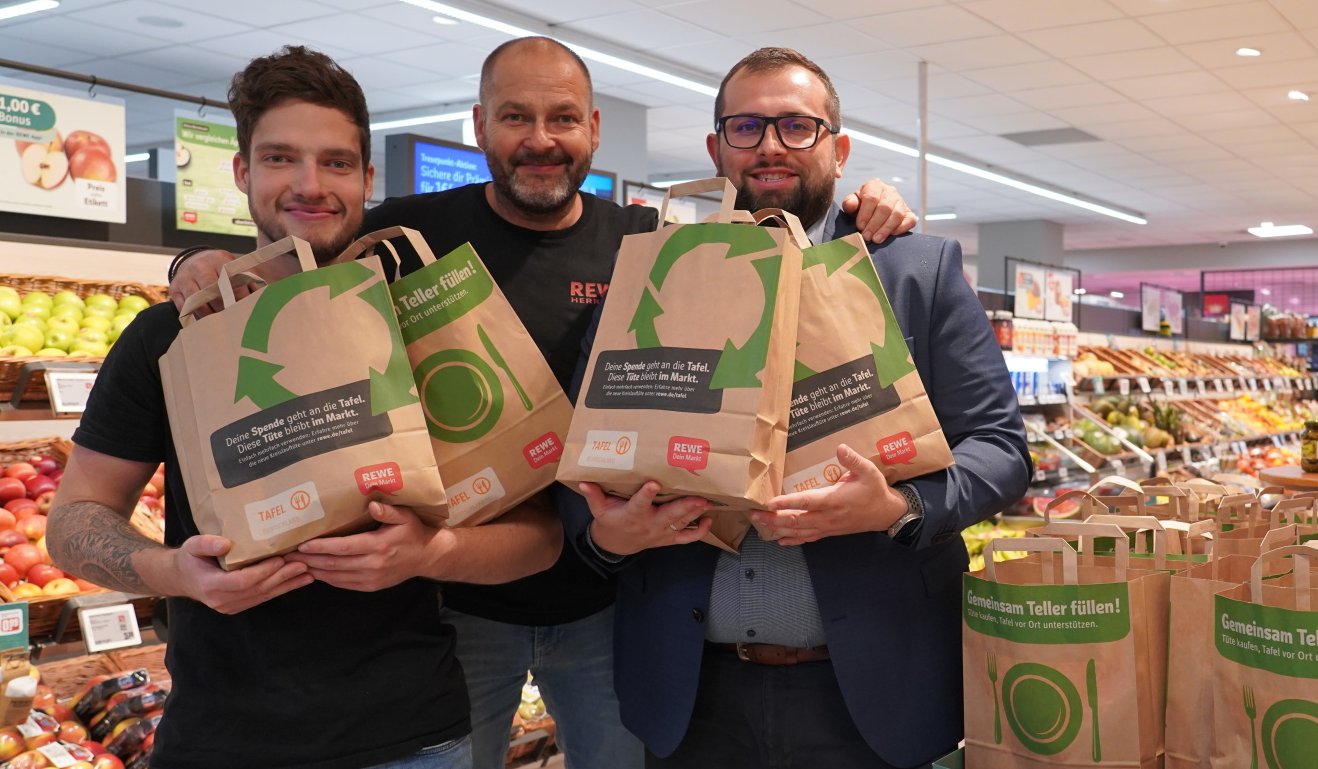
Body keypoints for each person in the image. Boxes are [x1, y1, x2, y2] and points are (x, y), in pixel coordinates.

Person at [167, 37, 916, 769]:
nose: (540, 139)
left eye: (562, 118)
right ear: (479, 126)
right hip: (459, 597)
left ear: (592, 129)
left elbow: (769, 255)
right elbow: (302, 244)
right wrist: (193, 258)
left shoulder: (644, 237)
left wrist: (868, 205)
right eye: (514, 117)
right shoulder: (408, 233)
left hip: (608, 595)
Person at [565, 47, 1031, 769]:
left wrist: (897, 508)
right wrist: (611, 535)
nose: (771, 147)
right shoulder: (652, 283)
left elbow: (999, 448)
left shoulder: (913, 271)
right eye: (746, 128)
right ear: (717, 148)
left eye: (796, 126)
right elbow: (581, 462)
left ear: (837, 149)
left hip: (869, 695)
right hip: (692, 697)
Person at [50, 46, 496, 769]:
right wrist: (176, 573)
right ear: (242, 173)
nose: (310, 185)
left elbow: (534, 533)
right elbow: (73, 522)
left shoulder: (425, 320)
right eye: (282, 158)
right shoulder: (172, 337)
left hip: (413, 738)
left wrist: (429, 551)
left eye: (336, 162)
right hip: (222, 738)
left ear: (367, 178)